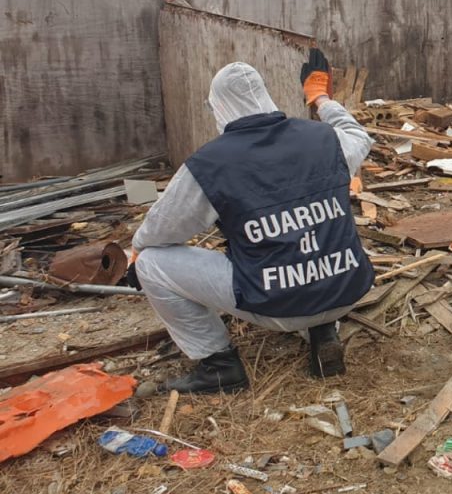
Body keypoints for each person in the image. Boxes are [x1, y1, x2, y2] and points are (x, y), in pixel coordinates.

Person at [130, 52, 374, 393]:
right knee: (317, 235)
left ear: (219, 107)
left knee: (152, 263)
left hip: (280, 307)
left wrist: (136, 251)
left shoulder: (211, 163)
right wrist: (319, 97)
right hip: (346, 289)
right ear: (265, 95)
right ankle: (323, 330)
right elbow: (357, 135)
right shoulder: (324, 139)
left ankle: (219, 366)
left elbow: (162, 230)